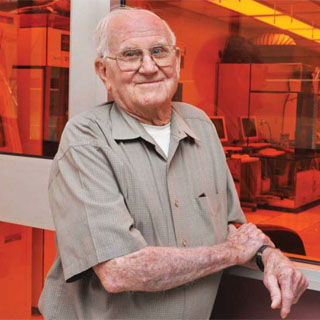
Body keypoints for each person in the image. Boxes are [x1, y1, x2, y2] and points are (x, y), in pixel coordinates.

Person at [39, 7, 308, 320]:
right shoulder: (87, 139)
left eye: (159, 51)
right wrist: (230, 253)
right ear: (103, 71)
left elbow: (234, 228)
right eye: (130, 55)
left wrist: (269, 254)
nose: (149, 67)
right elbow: (118, 270)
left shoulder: (201, 126)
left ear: (177, 60)